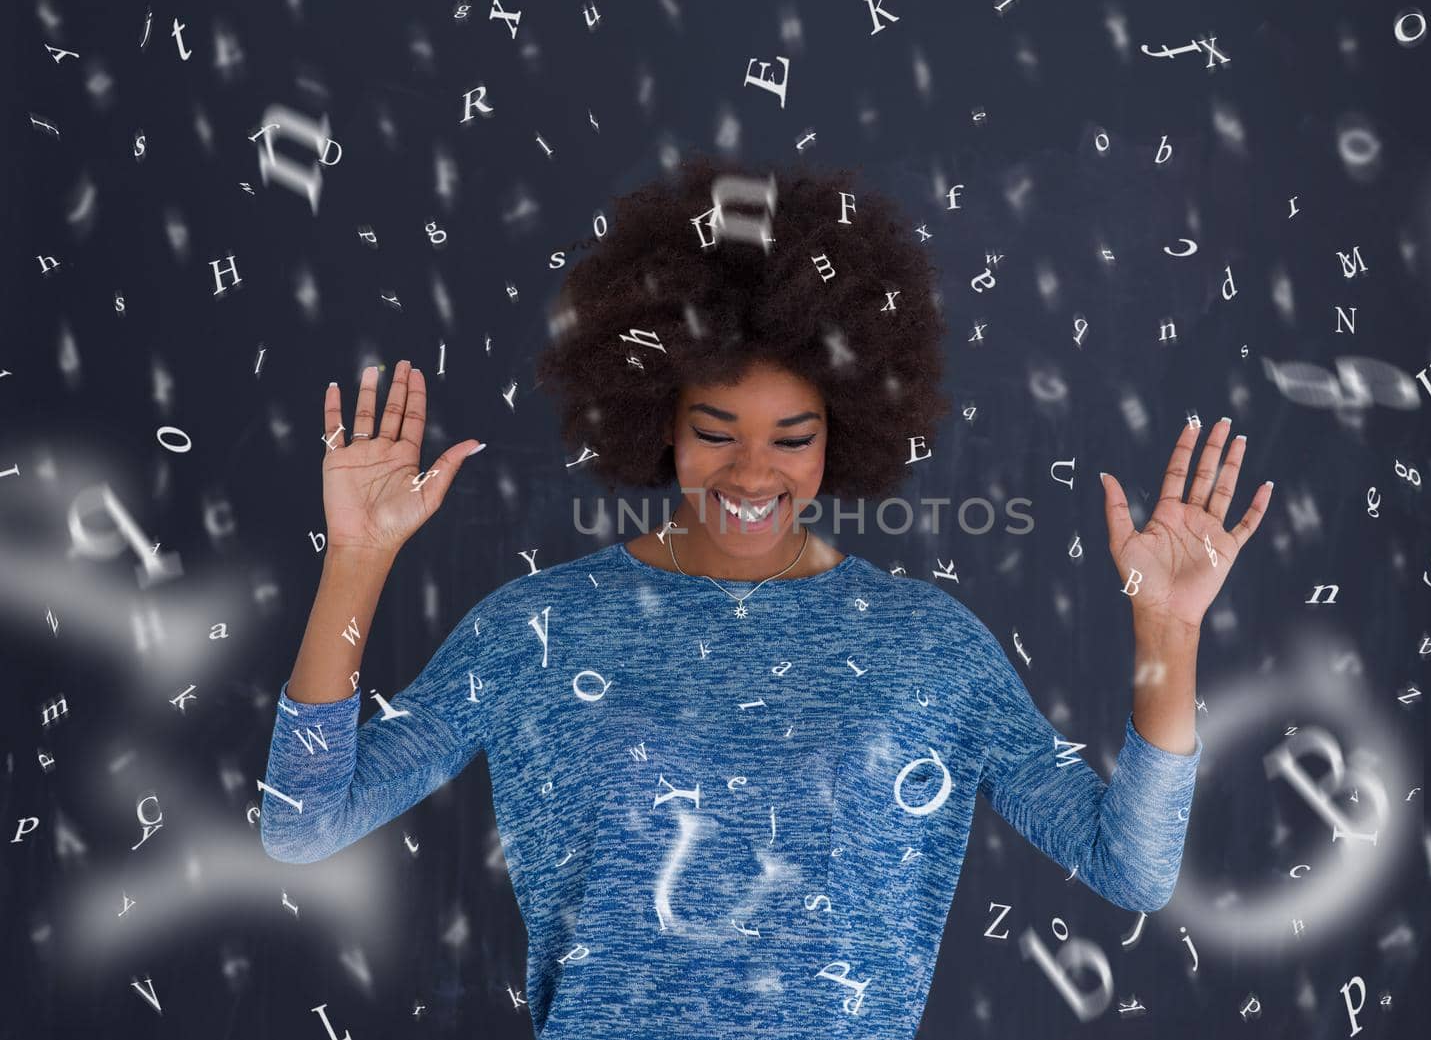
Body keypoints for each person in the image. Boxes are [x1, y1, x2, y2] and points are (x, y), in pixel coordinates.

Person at [260, 154, 1271, 1039]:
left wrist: (1167, 630)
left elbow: (1128, 868)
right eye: (715, 430)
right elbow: (302, 824)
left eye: (793, 436)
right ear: (655, 418)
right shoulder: (537, 629)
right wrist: (358, 556)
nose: (752, 474)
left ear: (848, 431)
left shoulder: (927, 646)